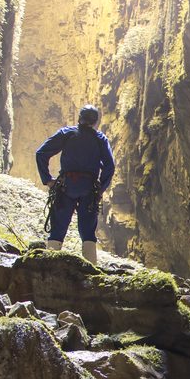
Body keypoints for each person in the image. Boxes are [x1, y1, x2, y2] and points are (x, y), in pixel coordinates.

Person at [35, 104, 115, 263]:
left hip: (66, 186)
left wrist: (48, 180)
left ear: (79, 118)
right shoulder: (100, 139)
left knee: (58, 227)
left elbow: (41, 153)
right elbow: (110, 166)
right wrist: (101, 188)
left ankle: (50, 265)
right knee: (87, 230)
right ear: (95, 122)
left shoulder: (67, 133)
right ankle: (91, 270)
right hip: (89, 188)